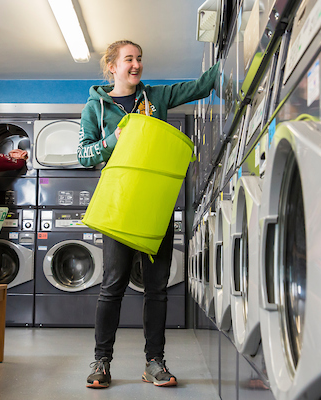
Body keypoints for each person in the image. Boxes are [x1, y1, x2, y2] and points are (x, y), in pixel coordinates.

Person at [78, 40, 220, 388]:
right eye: (129, 59)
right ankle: (102, 362)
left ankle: (154, 362)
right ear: (112, 66)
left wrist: (238, 53)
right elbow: (83, 155)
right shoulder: (95, 107)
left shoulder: (155, 97)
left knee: (156, 288)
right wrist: (114, 138)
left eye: (140, 58)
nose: (137, 64)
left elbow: (201, 86)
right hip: (119, 207)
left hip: (156, 205)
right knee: (112, 287)